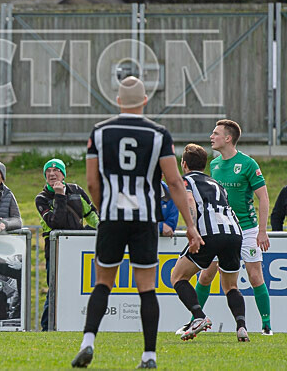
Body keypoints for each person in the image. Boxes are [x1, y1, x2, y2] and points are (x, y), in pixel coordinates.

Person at [71, 77, 195, 369]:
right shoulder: (159, 133)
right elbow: (174, 182)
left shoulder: (100, 132)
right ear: (144, 101)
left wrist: (105, 211)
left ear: (117, 101)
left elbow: (91, 182)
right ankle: (149, 356)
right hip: (145, 218)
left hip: (113, 215)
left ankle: (88, 342)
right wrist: (189, 224)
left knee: (103, 282)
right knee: (146, 288)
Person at [174, 119, 272, 336]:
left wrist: (262, 230)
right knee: (207, 276)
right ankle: (201, 321)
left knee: (255, 276)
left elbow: (263, 197)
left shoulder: (248, 163)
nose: (211, 136)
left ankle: (267, 326)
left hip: (245, 229)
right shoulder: (215, 166)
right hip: (228, 231)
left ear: (228, 138)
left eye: (215, 133)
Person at [170, 144, 248, 342]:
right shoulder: (217, 184)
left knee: (178, 277)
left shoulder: (185, 180)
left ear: (184, 164)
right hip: (233, 233)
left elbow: (188, 201)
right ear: (204, 165)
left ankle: (198, 317)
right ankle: (241, 327)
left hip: (209, 232)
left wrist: (192, 229)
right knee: (231, 286)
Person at [35, 158, 99, 331]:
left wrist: (102, 227)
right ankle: (47, 327)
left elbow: (91, 213)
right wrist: (60, 196)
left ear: (63, 174)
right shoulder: (41, 198)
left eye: (56, 171)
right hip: (55, 249)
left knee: (75, 286)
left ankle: (73, 324)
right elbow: (56, 222)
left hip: (77, 247)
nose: (52, 174)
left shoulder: (77, 190)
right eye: (48, 171)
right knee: (54, 288)